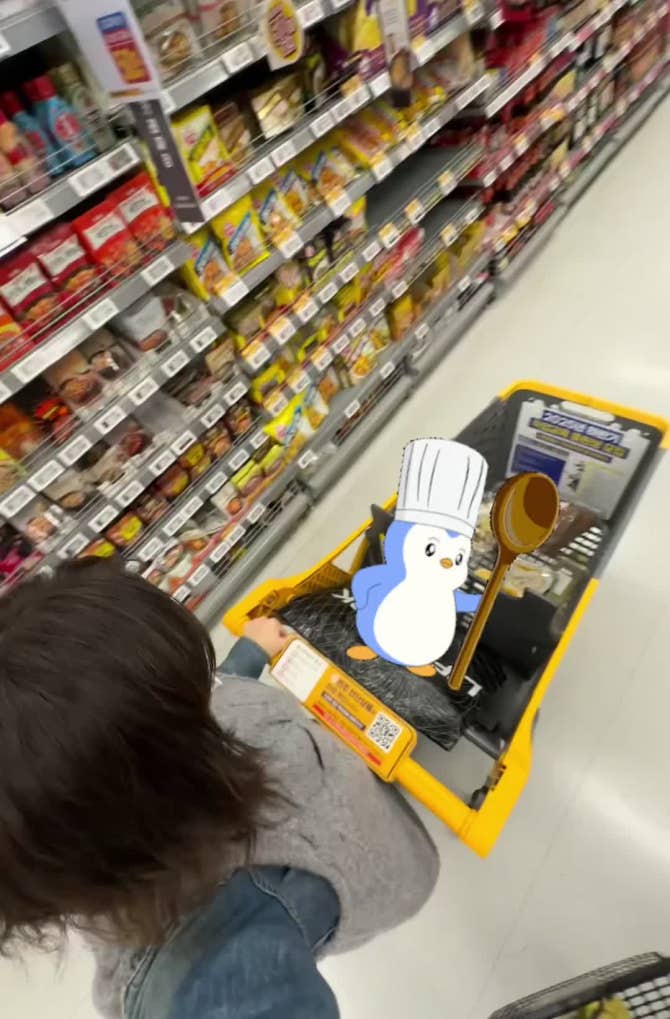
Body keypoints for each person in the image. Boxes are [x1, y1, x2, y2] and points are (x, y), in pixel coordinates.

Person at [0, 558, 439, 1018]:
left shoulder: (101, 792)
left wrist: (249, 654)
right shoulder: (225, 970)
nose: (208, 707)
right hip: (369, 869)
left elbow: (206, 700)